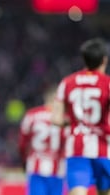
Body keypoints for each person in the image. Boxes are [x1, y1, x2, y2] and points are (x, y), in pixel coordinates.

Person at [51, 38, 110, 195]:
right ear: (104, 59)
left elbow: (56, 119)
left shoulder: (67, 82)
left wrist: (73, 122)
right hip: (104, 147)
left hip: (76, 148)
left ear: (84, 59)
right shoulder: (107, 83)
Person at [19, 85, 67, 195]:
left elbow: (22, 143)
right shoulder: (64, 119)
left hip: (36, 167)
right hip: (57, 169)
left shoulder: (32, 115)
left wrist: (24, 161)